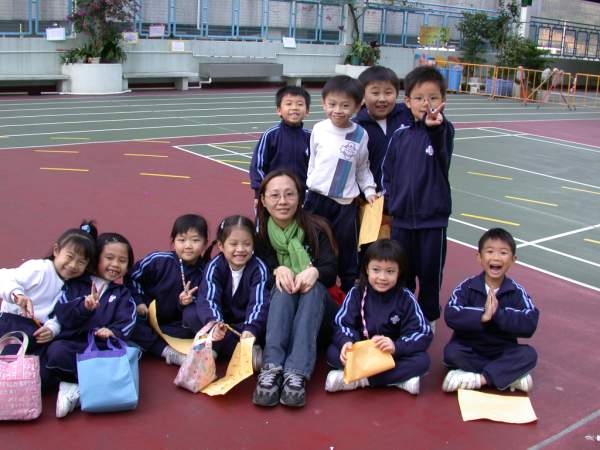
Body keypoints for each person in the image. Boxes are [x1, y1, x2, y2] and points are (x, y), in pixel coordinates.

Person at [252, 170, 338, 408]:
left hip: (317, 317)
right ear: (263, 200)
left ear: (300, 198)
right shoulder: (259, 237)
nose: (283, 201)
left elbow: (331, 270)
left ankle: (296, 373)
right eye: (275, 195)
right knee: (283, 287)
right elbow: (255, 277)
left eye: (289, 194)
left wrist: (316, 272)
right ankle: (271, 368)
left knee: (312, 288)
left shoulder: (317, 228)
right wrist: (276, 270)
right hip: (279, 318)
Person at [381, 65, 454, 330]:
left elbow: (440, 139)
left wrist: (434, 127)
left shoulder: (443, 131)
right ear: (407, 101)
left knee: (430, 274)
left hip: (432, 221)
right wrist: (390, 199)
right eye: (420, 98)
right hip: (401, 221)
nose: (426, 104)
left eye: (433, 98)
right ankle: (404, 315)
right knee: (403, 272)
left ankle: (429, 317)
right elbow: (387, 171)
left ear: (443, 101)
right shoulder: (399, 136)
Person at [46, 232, 137, 418]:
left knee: (119, 360)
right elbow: (62, 313)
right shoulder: (76, 285)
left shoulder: (122, 293)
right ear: (95, 259)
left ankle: (75, 388)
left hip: (101, 346)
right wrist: (84, 307)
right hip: (74, 342)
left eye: (122, 260)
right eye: (109, 258)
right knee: (56, 351)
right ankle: (75, 385)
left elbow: (129, 318)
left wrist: (113, 331)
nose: (115, 264)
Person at [325, 239, 432, 395]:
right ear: (367, 269)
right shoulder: (356, 293)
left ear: (399, 272)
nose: (382, 277)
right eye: (376, 270)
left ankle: (358, 380)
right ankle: (398, 380)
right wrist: (347, 342)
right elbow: (342, 324)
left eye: (390, 271)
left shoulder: (406, 298)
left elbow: (422, 332)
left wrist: (396, 346)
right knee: (333, 353)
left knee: (422, 361)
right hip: (362, 353)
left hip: (391, 355)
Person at [442, 228, 539, 393]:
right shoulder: (467, 287)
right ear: (479, 257)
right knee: (452, 353)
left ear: (513, 259)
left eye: (503, 253)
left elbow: (530, 322)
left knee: (529, 355)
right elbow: (451, 314)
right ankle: (508, 376)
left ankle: (479, 379)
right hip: (470, 347)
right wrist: (482, 315)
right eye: (490, 251)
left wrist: (498, 314)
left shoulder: (516, 291)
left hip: (503, 350)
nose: (496, 257)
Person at [304, 75, 377, 292]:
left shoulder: (360, 134)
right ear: (323, 103)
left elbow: (362, 167)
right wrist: (310, 185)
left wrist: (369, 190)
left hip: (344, 204)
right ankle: (315, 288)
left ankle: (348, 291)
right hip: (316, 200)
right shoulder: (319, 129)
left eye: (345, 105)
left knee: (346, 249)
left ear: (357, 106)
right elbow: (313, 161)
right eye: (332, 104)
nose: (338, 110)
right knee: (313, 245)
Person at [0, 222, 97, 359]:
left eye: (81, 262)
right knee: (7, 364)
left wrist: (52, 329)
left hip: (37, 334)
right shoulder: (40, 269)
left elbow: (59, 316)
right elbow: (4, 277)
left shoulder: (75, 287)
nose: (73, 265)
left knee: (28, 369)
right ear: (56, 250)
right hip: (11, 326)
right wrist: (17, 295)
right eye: (69, 257)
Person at [126, 214, 211, 366]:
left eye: (195, 240)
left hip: (173, 325)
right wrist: (139, 302)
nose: (188, 246)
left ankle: (151, 345)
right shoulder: (158, 260)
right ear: (173, 242)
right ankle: (167, 352)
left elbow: (206, 301)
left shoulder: (206, 271)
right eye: (182, 240)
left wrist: (184, 302)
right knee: (129, 321)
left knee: (196, 327)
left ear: (205, 243)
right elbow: (130, 277)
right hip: (146, 316)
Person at [194, 215, 269, 369]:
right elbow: (209, 298)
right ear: (221, 245)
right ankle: (239, 352)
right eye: (233, 244)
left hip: (244, 325)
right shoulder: (214, 266)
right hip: (222, 324)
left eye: (247, 244)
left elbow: (259, 302)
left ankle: (219, 349)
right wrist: (215, 324)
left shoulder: (258, 268)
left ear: (253, 245)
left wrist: (251, 328)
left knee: (267, 326)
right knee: (191, 314)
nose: (240, 249)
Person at [249, 85, 311, 205]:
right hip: (275, 194)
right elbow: (258, 166)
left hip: (302, 196)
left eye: (300, 104)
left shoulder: (311, 137)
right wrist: (259, 192)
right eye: (289, 104)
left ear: (307, 111)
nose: (294, 108)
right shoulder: (271, 135)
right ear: (279, 110)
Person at [355, 66, 412, 192]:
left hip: (405, 195)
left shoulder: (408, 115)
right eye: (375, 93)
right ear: (362, 96)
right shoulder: (356, 127)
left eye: (388, 93)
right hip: (372, 197)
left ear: (397, 94)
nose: (382, 99)